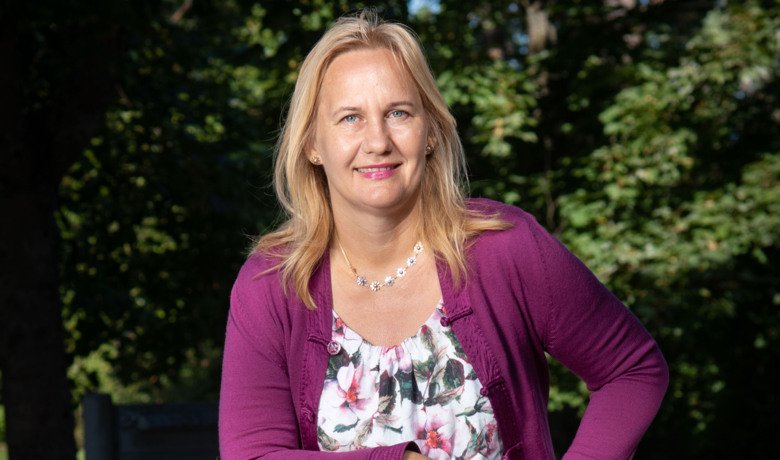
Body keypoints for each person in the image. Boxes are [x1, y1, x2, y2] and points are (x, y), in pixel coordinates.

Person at [219, 10, 668, 460]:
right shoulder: (272, 285)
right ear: (312, 144)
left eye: (398, 113)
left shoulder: (506, 249)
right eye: (350, 118)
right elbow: (252, 455)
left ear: (431, 131)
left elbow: (631, 369)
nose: (378, 141)